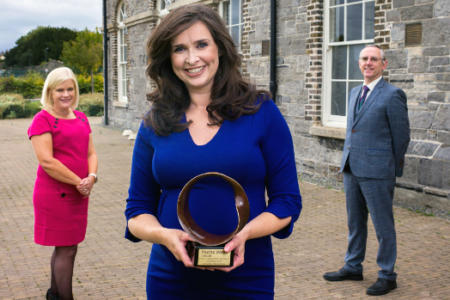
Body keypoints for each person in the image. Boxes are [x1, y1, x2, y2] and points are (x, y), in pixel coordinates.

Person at [124, 4, 302, 299]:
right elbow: (137, 211)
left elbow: (287, 202)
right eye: (179, 49)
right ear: (168, 59)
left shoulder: (261, 112)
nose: (192, 58)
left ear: (219, 47)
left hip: (247, 278)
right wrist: (164, 236)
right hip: (171, 279)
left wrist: (245, 234)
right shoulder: (154, 122)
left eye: (201, 44)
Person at [323, 45, 410, 296]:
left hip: (378, 172)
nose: (368, 63)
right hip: (352, 167)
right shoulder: (354, 92)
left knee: (383, 226)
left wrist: (390, 169)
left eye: (374, 59)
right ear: (359, 63)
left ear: (384, 64)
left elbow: (401, 137)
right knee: (355, 222)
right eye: (364, 59)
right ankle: (353, 266)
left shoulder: (393, 94)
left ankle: (387, 274)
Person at [28, 67, 98, 300]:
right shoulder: (42, 120)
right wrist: (79, 181)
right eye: (60, 90)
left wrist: (92, 177)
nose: (66, 94)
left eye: (70, 89)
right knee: (66, 248)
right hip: (55, 194)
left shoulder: (81, 117)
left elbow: (91, 153)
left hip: (79, 192)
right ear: (50, 91)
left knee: (68, 246)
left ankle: (54, 294)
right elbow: (47, 161)